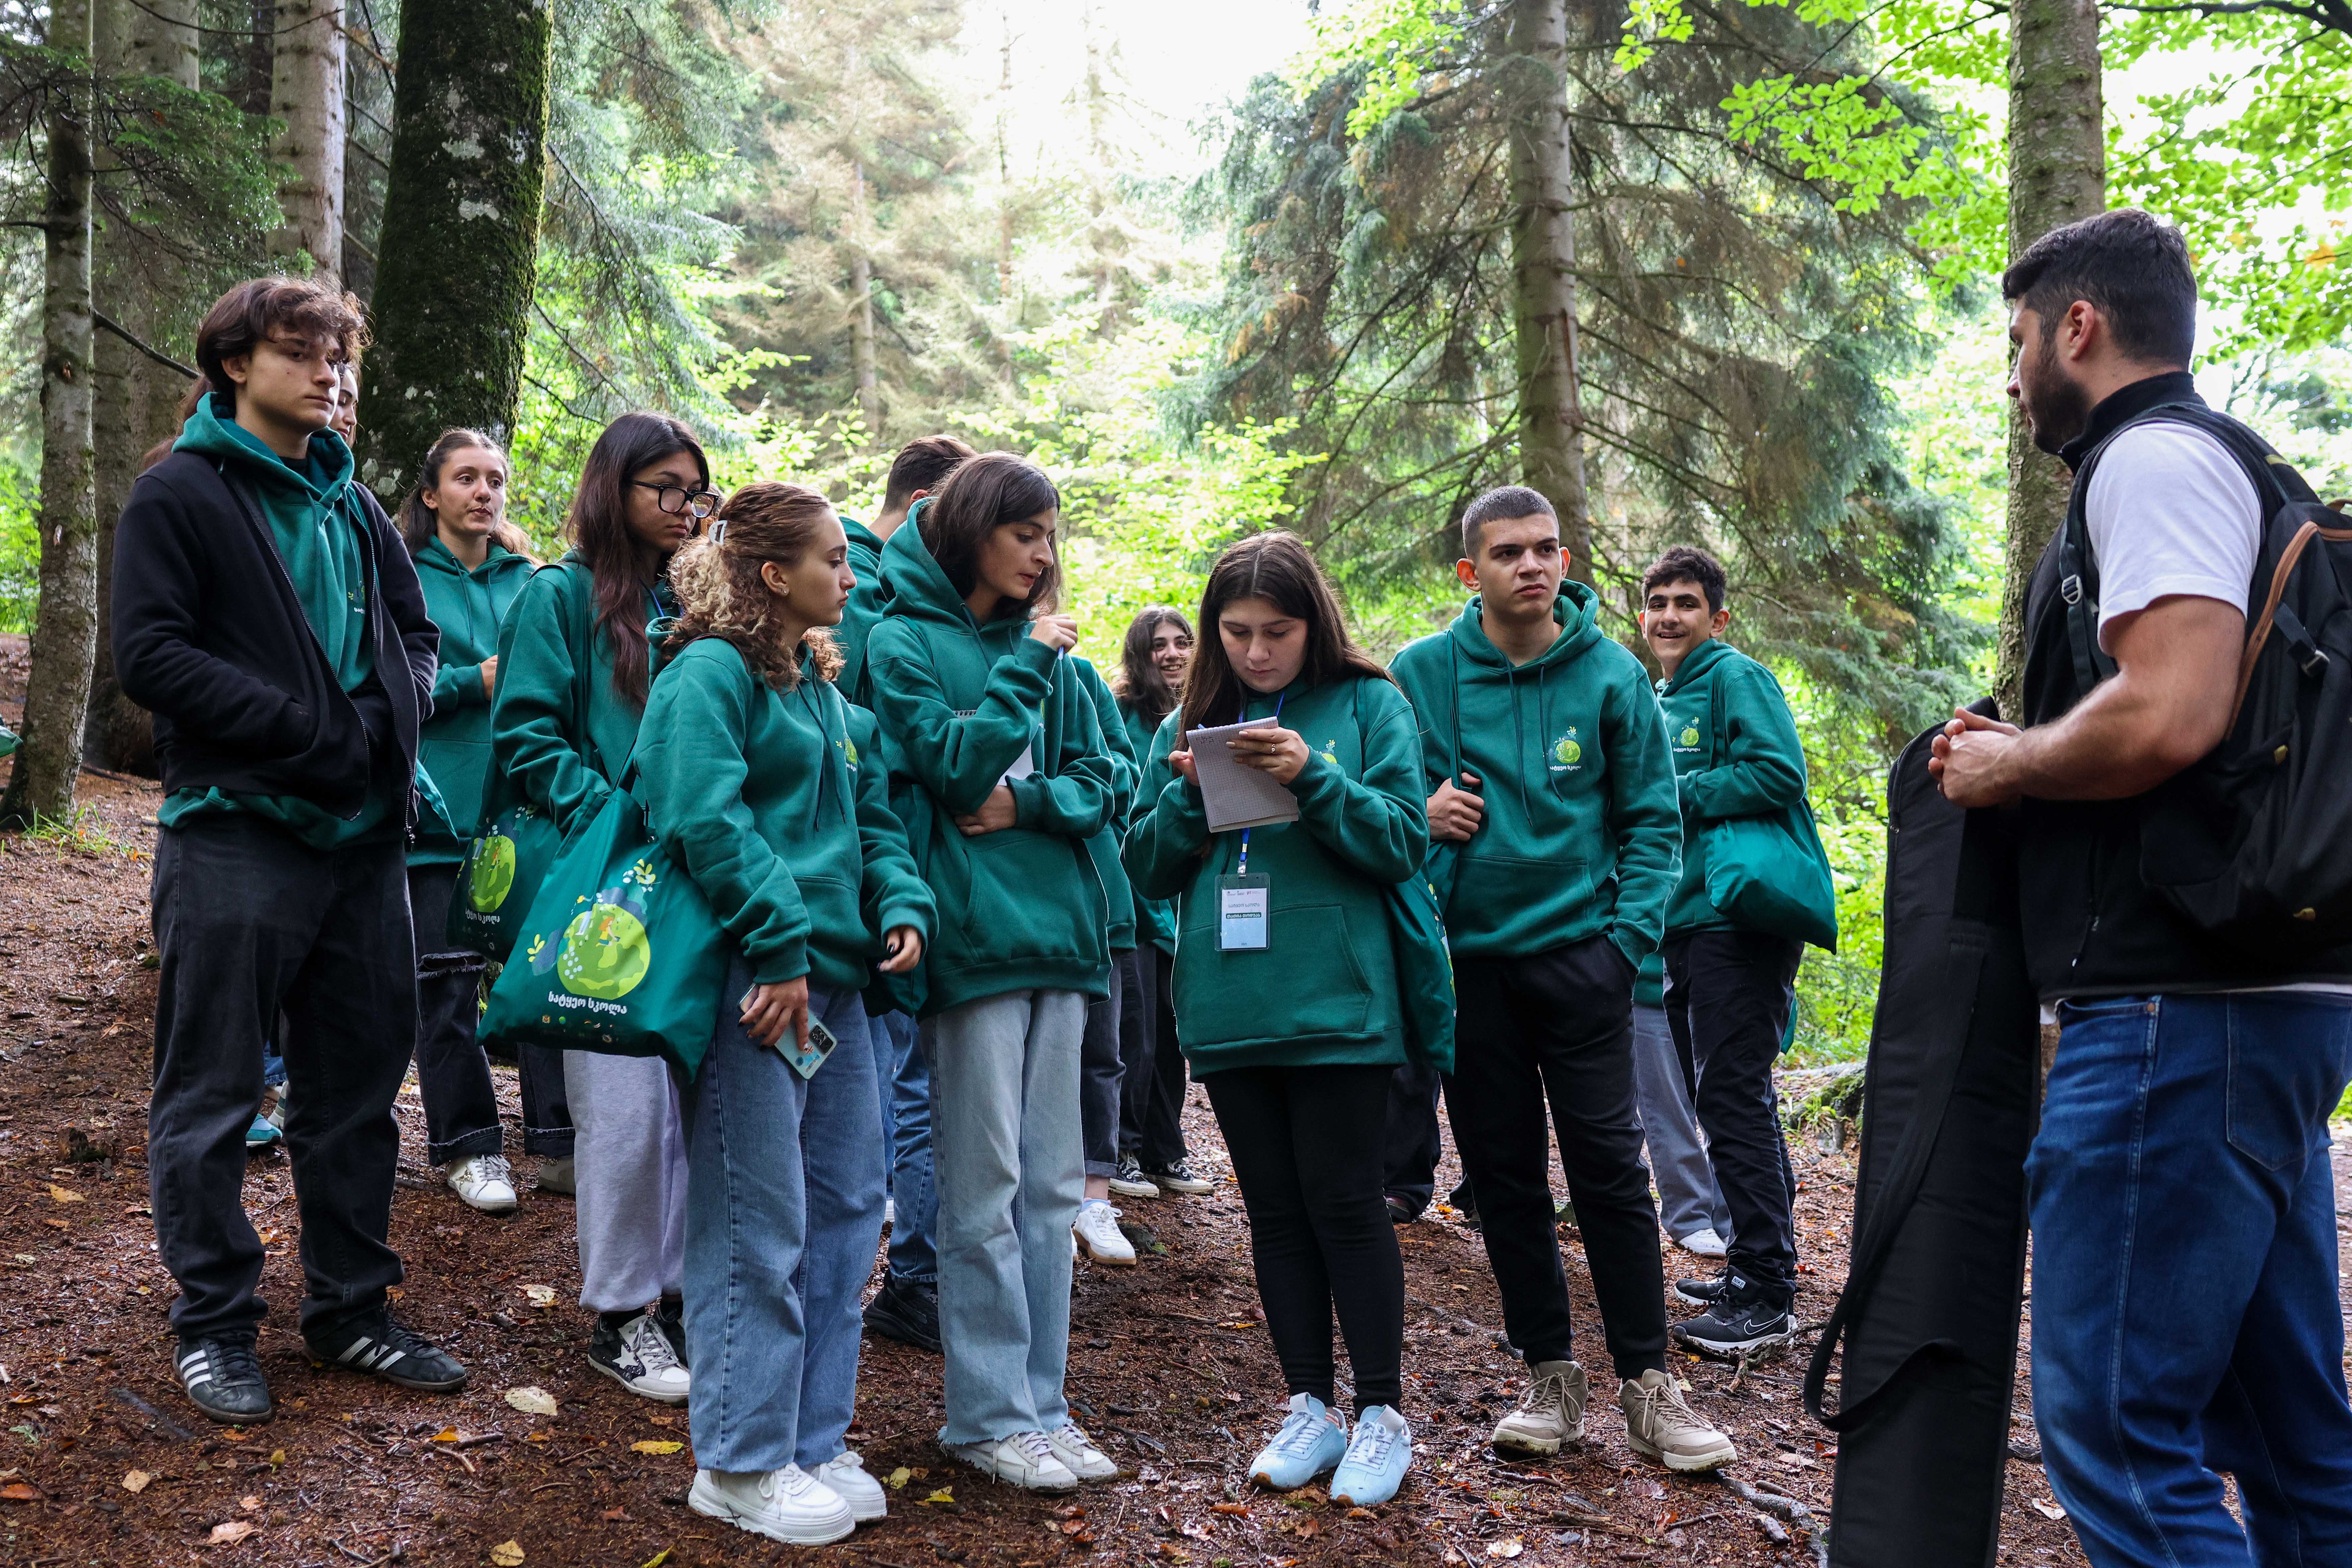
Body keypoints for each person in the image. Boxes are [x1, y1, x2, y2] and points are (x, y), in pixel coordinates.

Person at [1934, 208, 2352, 1563]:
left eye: (2016, 342)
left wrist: (2007, 765)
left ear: (2078, 326)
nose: (2013, 378)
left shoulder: (2153, 459)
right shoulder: (2239, 464)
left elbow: (2171, 709)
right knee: (2291, 1441)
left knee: (2119, 1430)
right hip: (2263, 1006)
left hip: (2179, 1013)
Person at [115, 276, 465, 1423]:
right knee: (214, 1093)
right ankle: (214, 1325)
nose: (330, 375)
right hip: (236, 831)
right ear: (234, 365)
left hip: (365, 844)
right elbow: (152, 658)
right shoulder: (180, 493)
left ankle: (351, 1311)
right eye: (301, 353)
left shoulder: (352, 503)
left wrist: (390, 719)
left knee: (357, 1091)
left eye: (340, 358)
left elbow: (415, 633)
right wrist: (312, 730)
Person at [1391, 488, 1733, 1471]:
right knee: (1503, 1180)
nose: (1531, 565)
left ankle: (1649, 1384)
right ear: (1472, 571)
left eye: (1545, 549)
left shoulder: (1611, 672)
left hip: (1585, 964)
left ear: (1564, 558)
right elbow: (1381, 805)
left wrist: (1622, 947)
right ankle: (1549, 1375)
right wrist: (1425, 823)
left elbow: (1652, 821)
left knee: (1611, 1175)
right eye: (1508, 552)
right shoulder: (1421, 672)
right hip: (1471, 967)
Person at [635, 481, 934, 1545]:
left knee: (848, 1209)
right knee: (755, 1222)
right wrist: (777, 943)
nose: (851, 577)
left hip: (834, 984)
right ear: (774, 574)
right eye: (834, 560)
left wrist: (900, 904)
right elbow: (699, 817)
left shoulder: (821, 687)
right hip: (760, 986)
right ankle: (740, 1460)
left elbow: (874, 822)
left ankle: (812, 1439)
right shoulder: (708, 672)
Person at [1124, 531, 1431, 1508]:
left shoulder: (1370, 704)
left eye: (1279, 631)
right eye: (1238, 631)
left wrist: (1314, 775)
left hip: (1339, 1000)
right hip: (1229, 1001)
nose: (1257, 651)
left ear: (1314, 624)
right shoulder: (1192, 717)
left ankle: (1382, 1413)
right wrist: (1187, 798)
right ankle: (1311, 1405)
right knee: (1274, 1211)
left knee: (1345, 1201)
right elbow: (1144, 868)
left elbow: (1404, 841)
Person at [864, 451, 1121, 1491]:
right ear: (973, 531)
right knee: (982, 1191)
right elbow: (953, 764)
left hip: (1065, 939)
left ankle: (1044, 1409)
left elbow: (1109, 778)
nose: (1043, 555)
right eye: (1025, 534)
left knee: (1052, 1191)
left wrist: (1029, 806)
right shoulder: (900, 641)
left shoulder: (1058, 653)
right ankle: (984, 1415)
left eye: (1050, 536)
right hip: (971, 947)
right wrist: (1023, 675)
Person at [488, 411, 717, 1403]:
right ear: (612, 488)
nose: (683, 507)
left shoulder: (705, 597)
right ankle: (622, 1314)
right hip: (609, 887)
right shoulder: (560, 595)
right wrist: (616, 817)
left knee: (698, 1099)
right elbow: (527, 736)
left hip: (704, 878)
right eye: (664, 487)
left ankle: (687, 1297)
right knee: (624, 1109)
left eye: (696, 491)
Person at [400, 430, 573, 1211]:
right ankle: (469, 1148)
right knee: (445, 984)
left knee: (541, 978)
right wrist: (473, 681)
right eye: (465, 478)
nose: (483, 492)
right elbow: (383, 687)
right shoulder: (402, 574)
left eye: (495, 479)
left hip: (521, 816)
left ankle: (560, 1146)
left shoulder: (532, 581)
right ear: (431, 494)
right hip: (433, 811)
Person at [1642, 545, 1809, 1355]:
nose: (1670, 615)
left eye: (1686, 602)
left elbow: (1779, 771)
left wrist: (1674, 790)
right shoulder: (1661, 696)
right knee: (1729, 1099)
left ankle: (1766, 1293)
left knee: (1733, 1098)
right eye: (1658, 602)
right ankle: (1758, 1263)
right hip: (1685, 923)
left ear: (1717, 616)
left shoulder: (1735, 677)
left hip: (1736, 922)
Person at [845, 434, 976, 1354]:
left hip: (896, 867)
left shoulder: (877, 584)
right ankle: (910, 1280)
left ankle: (913, 1275)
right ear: (929, 505)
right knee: (907, 1081)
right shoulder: (859, 589)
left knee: (910, 1078)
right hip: (879, 866)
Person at [1107, 608, 1215, 1201]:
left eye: (1182, 642)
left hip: (1181, 906)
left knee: (1173, 1036)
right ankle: (1122, 1149)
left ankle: (1165, 1149)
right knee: (1136, 1034)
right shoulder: (1119, 714)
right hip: (1134, 901)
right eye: (1158, 645)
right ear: (1138, 654)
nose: (1172, 654)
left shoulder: (1202, 715)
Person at [1072, 651, 1143, 1266]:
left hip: (1100, 900)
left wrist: (1067, 789)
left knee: (1102, 1053)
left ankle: (1095, 1197)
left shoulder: (1082, 679)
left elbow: (1124, 775)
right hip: (1019, 909)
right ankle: (1040, 1201)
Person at [1633, 951, 1728, 1257]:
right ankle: (1691, 1217)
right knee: (1668, 1107)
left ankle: (1732, 1219)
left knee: (1729, 1106)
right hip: (1649, 986)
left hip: (1721, 981)